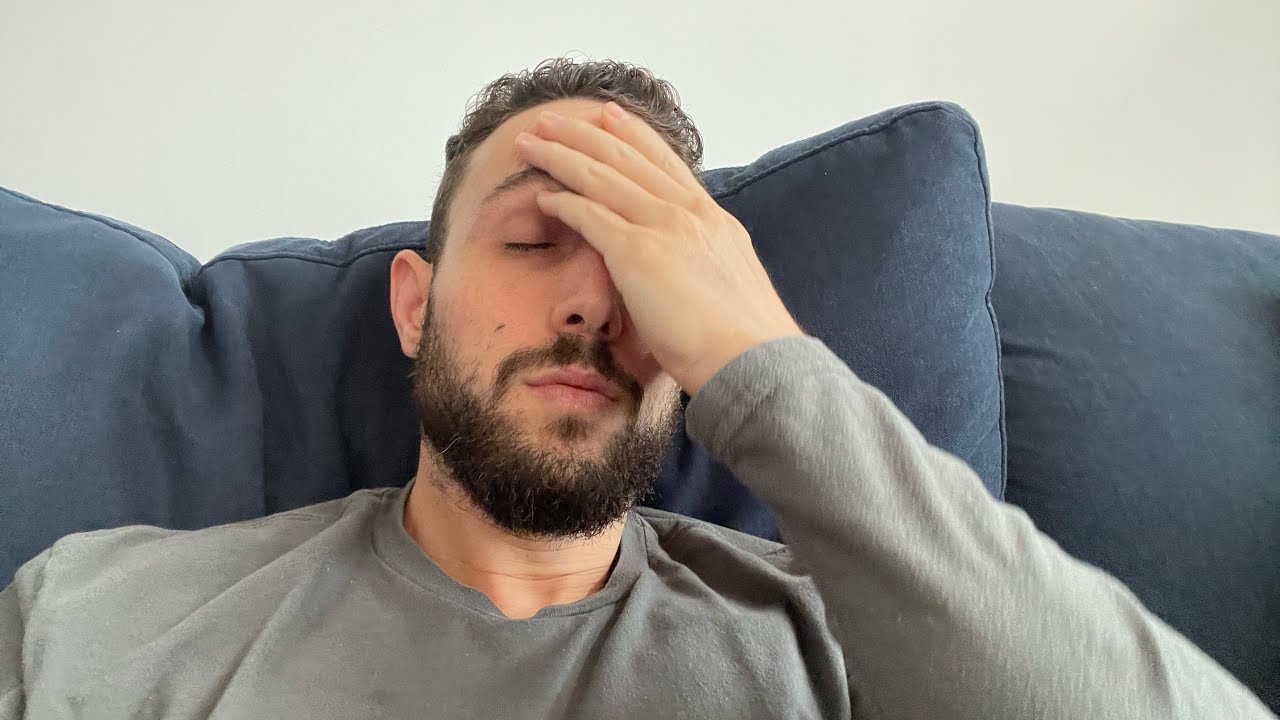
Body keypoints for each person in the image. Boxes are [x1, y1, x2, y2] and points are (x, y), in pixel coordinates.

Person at [0, 58, 1273, 720]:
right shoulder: (105, 617)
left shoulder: (849, 642)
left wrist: (755, 355)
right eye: (533, 238)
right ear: (412, 303)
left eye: (644, 267)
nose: (589, 305)